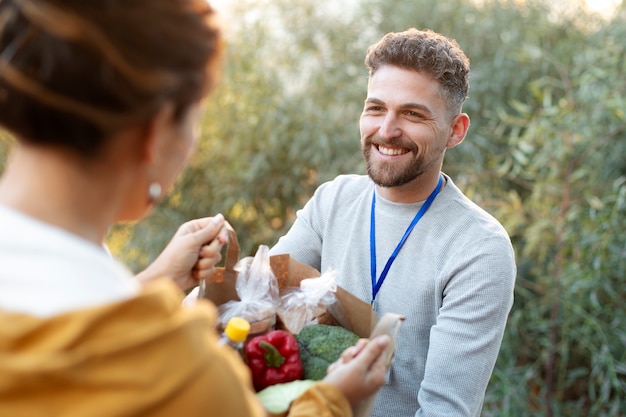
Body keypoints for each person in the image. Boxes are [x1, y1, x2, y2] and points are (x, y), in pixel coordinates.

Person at [0, 1, 390, 416]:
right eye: (196, 116)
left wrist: (157, 280)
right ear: (156, 128)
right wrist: (332, 399)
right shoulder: (177, 370)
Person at [270, 28, 517, 417]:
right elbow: (261, 294)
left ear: (455, 130)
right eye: (375, 108)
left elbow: (444, 411)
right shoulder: (333, 200)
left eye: (412, 114)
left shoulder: (479, 248)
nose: (386, 130)